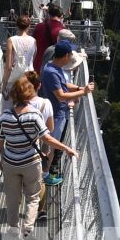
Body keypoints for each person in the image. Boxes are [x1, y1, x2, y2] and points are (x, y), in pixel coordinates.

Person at [0, 74, 77, 240]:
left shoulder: (4, 117)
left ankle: (12, 229)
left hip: (10, 163)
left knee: (11, 197)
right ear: (30, 93)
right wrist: (67, 148)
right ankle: (28, 226)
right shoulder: (34, 115)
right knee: (33, 196)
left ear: (14, 95)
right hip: (31, 163)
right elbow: (47, 138)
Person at [38, 38, 95, 183]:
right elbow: (61, 96)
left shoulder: (52, 67)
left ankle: (42, 172)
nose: (71, 57)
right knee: (50, 146)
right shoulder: (52, 72)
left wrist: (78, 88)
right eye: (70, 54)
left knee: (49, 144)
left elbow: (62, 85)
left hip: (56, 112)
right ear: (65, 56)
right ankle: (44, 175)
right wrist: (84, 92)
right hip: (56, 115)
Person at [3, 14, 37, 97]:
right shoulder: (33, 41)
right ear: (28, 26)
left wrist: (4, 85)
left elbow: (8, 66)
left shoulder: (11, 40)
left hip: (15, 78)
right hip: (29, 77)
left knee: (12, 106)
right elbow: (32, 59)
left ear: (17, 26)